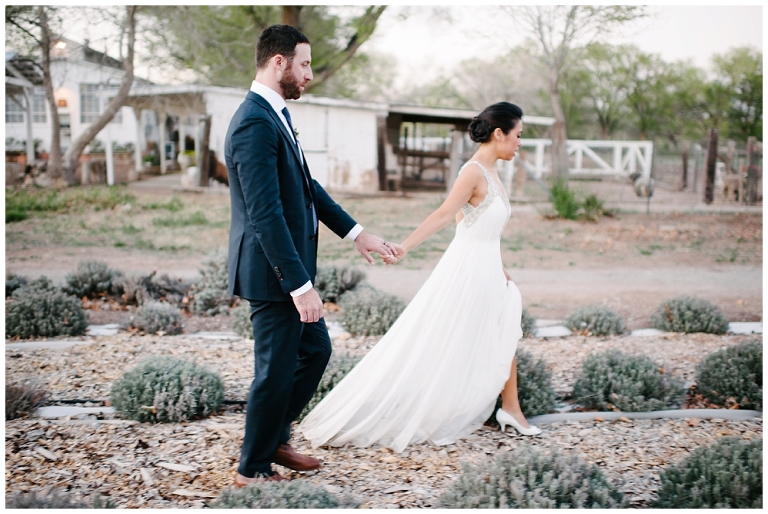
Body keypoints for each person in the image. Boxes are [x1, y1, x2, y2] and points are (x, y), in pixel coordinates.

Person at [300, 102, 541, 454]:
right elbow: (445, 214)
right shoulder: (472, 172)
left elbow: (478, 227)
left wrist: (499, 265)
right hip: (469, 268)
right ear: (499, 133)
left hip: (486, 264)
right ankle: (453, 406)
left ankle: (510, 408)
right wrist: (405, 247)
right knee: (449, 336)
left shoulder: (493, 172)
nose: (520, 143)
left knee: (503, 330)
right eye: (518, 135)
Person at [225, 24, 396, 486]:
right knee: (275, 370)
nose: (310, 74)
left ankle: (275, 438)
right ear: (278, 62)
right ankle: (252, 468)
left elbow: (305, 188)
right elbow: (265, 215)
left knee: (315, 351)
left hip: (286, 271)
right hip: (272, 274)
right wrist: (299, 286)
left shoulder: (275, 113)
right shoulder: (254, 123)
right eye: (305, 64)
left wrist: (356, 233)